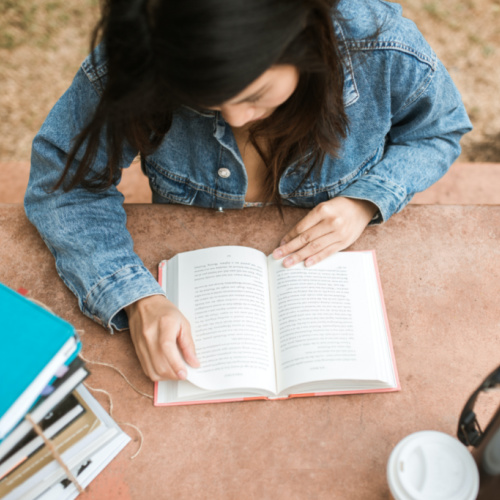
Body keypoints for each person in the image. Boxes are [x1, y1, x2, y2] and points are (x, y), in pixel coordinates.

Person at [25, 0, 472, 382]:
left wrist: (365, 200)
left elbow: (439, 131)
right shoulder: (146, 51)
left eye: (256, 93)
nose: (237, 119)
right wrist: (136, 297)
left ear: (306, 41)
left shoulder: (380, 46)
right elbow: (63, 186)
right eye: (207, 100)